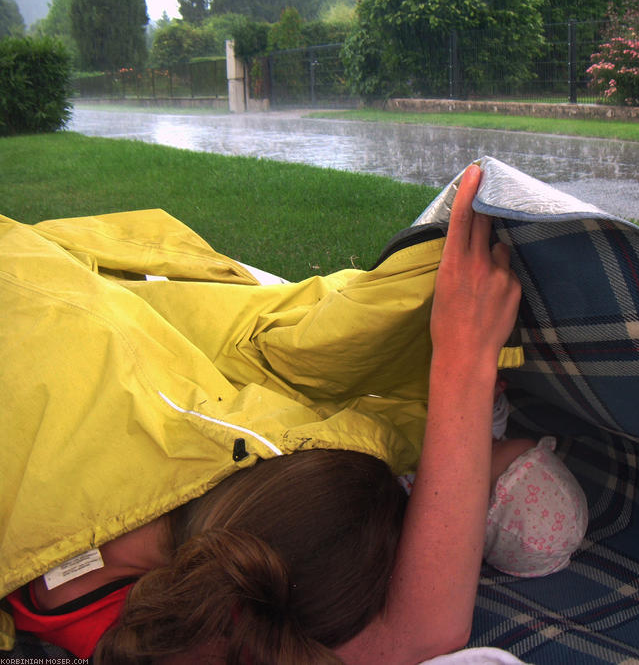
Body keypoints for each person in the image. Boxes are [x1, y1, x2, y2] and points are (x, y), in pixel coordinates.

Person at [2, 165, 586, 664]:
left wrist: (465, 359)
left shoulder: (139, 597)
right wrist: (463, 366)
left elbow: (418, 637)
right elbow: (413, 640)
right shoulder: (131, 621)